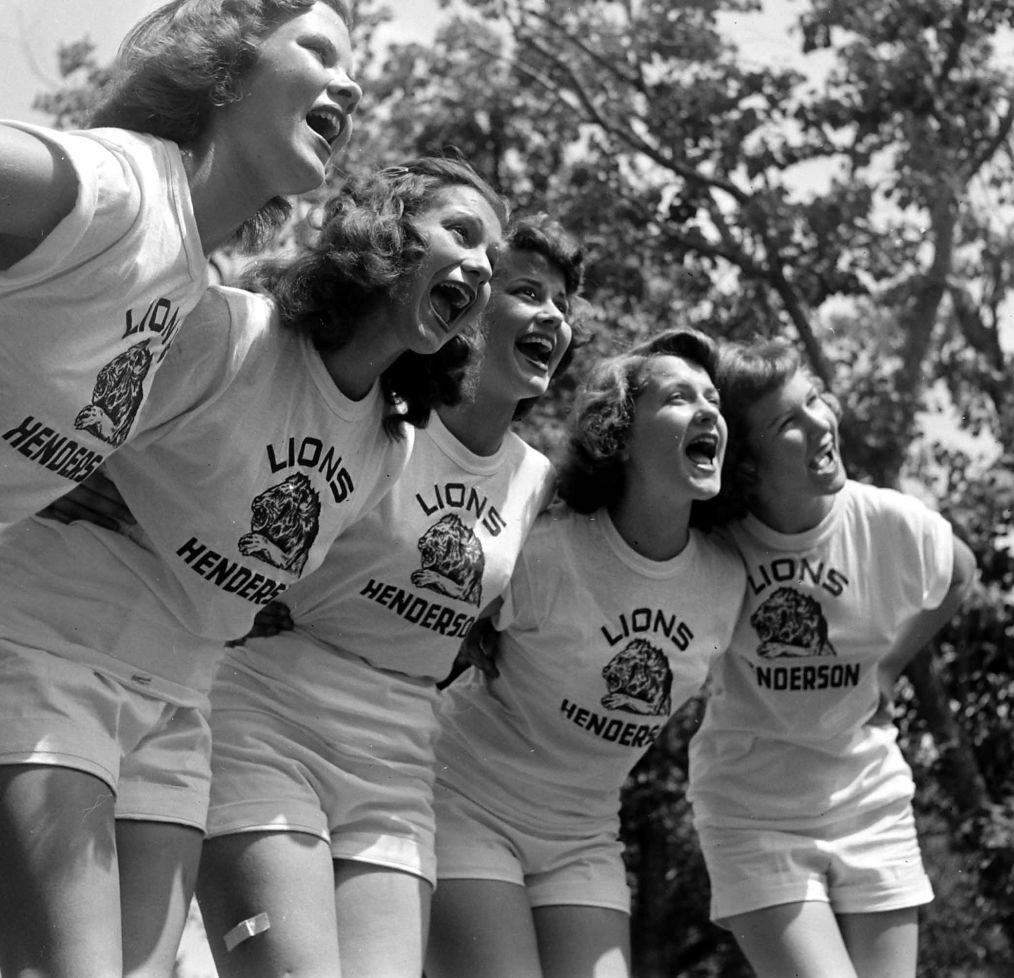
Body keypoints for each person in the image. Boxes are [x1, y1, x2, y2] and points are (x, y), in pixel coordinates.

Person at [0, 157, 504, 978]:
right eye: (462, 233)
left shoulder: (387, 446)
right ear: (387, 232)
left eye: (492, 254)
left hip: (178, 702)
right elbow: (69, 434)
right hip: (52, 653)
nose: (482, 266)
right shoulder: (231, 334)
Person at [192, 213, 587, 978]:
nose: (553, 317)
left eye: (563, 303)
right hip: (271, 721)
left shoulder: (537, 482)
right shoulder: (384, 415)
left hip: (401, 761)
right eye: (528, 291)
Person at [424, 329, 748, 978]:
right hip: (458, 800)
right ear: (620, 435)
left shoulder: (728, 580)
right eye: (679, 398)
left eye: (714, 398)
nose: (709, 410)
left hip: (584, 834)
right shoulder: (544, 549)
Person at [0, 0, 361, 528]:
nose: (351, 89)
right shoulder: (119, 189)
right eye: (319, 53)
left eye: (351, 74)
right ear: (228, 65)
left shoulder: (187, 280)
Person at [685, 337, 977, 978]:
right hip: (753, 813)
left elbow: (961, 573)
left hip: (870, 801)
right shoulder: (712, 543)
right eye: (789, 421)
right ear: (749, 466)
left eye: (815, 397)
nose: (821, 421)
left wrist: (892, 665)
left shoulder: (889, 524)